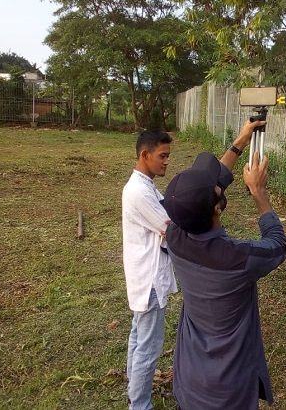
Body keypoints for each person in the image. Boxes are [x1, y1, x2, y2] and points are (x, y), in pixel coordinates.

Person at [163, 121, 286, 410]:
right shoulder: (240, 259)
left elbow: (212, 183)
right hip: (229, 392)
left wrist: (240, 141)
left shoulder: (175, 234)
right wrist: (259, 194)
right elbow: (278, 244)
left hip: (190, 380)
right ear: (218, 208)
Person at [121, 130, 177, 410]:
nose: (167, 162)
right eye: (162, 156)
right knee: (148, 346)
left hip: (145, 275)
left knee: (138, 336)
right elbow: (171, 229)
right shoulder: (139, 191)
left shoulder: (146, 185)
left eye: (168, 156)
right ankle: (139, 405)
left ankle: (135, 392)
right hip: (150, 279)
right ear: (145, 155)